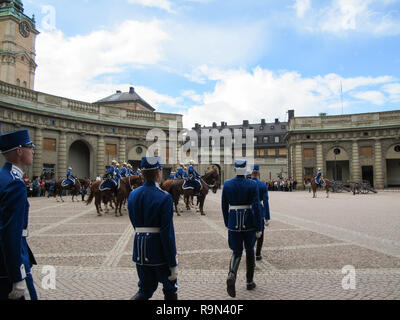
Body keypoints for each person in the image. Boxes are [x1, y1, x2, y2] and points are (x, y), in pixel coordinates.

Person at [128, 156, 178, 300]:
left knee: (145, 290)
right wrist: (172, 263)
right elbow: (167, 234)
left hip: (140, 250)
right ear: (158, 173)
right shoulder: (165, 197)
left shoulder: (132, 195)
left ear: (142, 174)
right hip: (159, 252)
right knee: (170, 290)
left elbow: (134, 224)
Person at [0, 129, 38, 300]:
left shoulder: (4, 177)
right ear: (19, 151)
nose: (33, 150)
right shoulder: (15, 184)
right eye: (30, 146)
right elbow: (10, 234)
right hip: (12, 265)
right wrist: (17, 274)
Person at [221, 159, 263, 298]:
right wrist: (258, 227)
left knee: (236, 251)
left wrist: (228, 222)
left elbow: (224, 206)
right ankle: (249, 282)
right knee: (250, 250)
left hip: (233, 222)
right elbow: (256, 207)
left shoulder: (227, 184)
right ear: (245, 170)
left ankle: (232, 275)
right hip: (249, 223)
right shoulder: (252, 184)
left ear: (234, 169)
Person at [250, 165, 271, 261]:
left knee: (248, 234)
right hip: (259, 211)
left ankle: (249, 252)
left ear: (251, 173)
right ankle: (258, 254)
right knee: (260, 234)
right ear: (258, 173)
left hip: (248, 211)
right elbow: (266, 201)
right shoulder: (263, 185)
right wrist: (267, 217)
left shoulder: (247, 183)